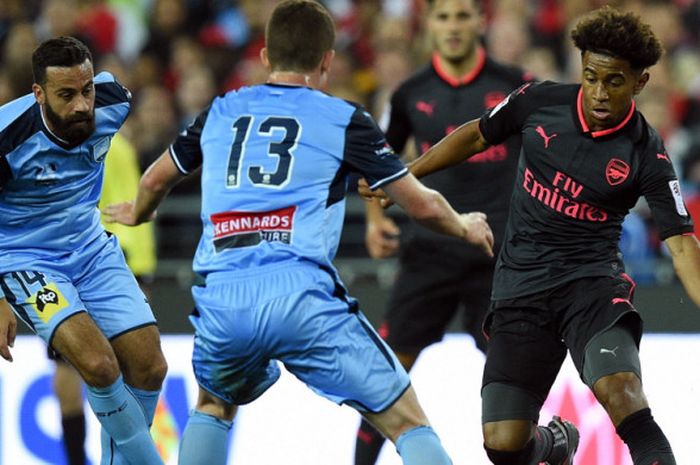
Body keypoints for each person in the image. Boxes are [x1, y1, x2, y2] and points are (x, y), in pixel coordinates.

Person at [103, 1, 494, 464]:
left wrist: (140, 213)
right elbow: (423, 206)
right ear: (327, 59)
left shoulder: (222, 110)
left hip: (224, 298)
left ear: (266, 56)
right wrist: (464, 225)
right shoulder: (343, 118)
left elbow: (154, 180)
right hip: (303, 295)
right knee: (406, 421)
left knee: (213, 405)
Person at [362, 5, 700, 465]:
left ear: (640, 83)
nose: (599, 93)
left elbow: (682, 245)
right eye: (591, 77)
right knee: (502, 445)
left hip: (590, 288)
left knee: (624, 395)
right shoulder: (539, 101)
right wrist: (406, 176)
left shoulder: (648, 154)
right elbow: (477, 135)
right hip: (520, 287)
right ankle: (555, 444)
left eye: (615, 81)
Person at [357, 0, 529, 462]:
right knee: (386, 376)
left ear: (481, 21)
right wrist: (375, 221)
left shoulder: (516, 86)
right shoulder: (410, 93)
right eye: (443, 16)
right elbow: (375, 165)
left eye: (462, 15)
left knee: (513, 384)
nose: (453, 26)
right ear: (428, 24)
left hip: (497, 258)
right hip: (428, 254)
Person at [0, 36, 167, 465]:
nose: (82, 105)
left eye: (87, 89)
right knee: (98, 365)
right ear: (38, 95)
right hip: (27, 259)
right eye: (66, 95)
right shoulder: (8, 139)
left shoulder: (114, 102)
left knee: (151, 367)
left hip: (92, 249)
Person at [49, 131, 159, 465]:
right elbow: (135, 203)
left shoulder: (68, 143)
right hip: (118, 260)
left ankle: (78, 459)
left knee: (71, 366)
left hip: (91, 261)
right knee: (126, 372)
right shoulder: (120, 142)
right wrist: (141, 267)